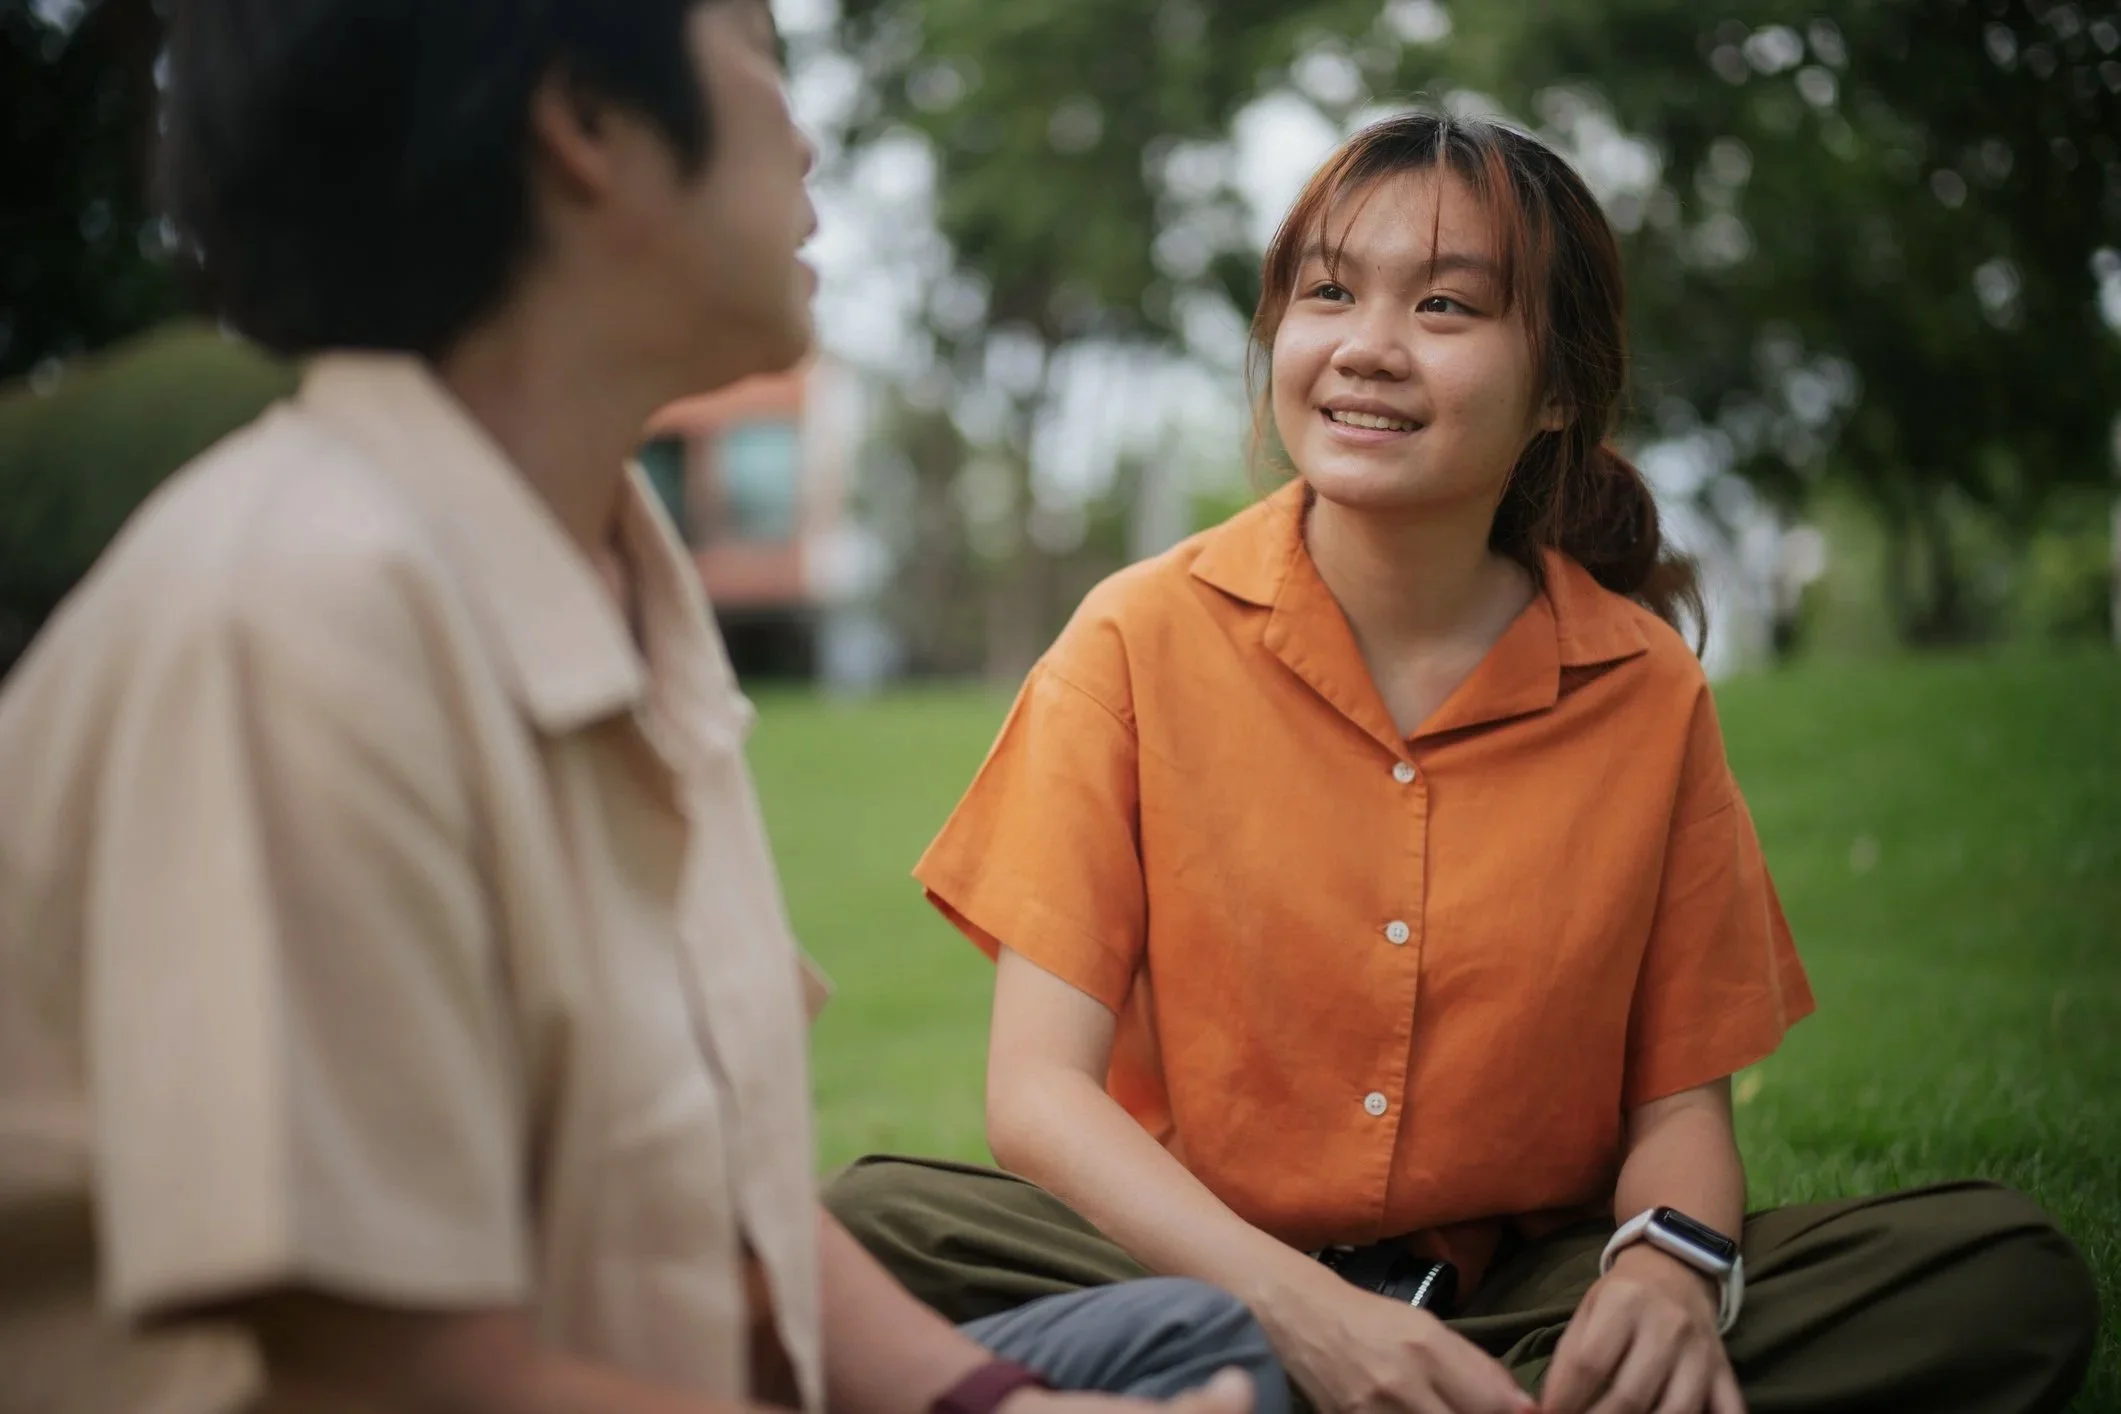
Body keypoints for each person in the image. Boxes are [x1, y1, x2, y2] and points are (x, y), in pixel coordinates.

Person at [0, 4, 1287, 1414]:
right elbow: (403, 1376)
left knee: (1209, 1349)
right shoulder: (294, 619)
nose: (806, 140)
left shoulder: (603, 560)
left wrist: (992, 1405)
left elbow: (725, 1194)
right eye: (760, 58)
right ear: (586, 124)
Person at [822, 112, 2102, 1414]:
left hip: (1512, 1302)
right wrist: (1312, 1317)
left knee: (2001, 1270)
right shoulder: (1135, 639)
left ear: (1557, 389)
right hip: (1192, 1272)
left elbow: (1680, 1111)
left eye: (1444, 305)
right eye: (1327, 292)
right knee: (868, 1228)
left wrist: (1663, 1281)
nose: (1367, 347)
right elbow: (1037, 1099)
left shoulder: (1643, 690)